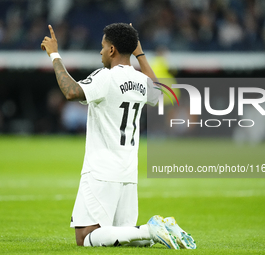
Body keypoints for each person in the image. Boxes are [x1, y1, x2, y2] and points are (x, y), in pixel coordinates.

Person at [41, 23, 196, 249]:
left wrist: (54, 55)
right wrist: (139, 53)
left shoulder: (106, 77)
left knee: (85, 237)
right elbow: (159, 91)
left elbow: (71, 91)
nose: (101, 52)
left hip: (102, 171)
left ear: (112, 50)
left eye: (103, 47)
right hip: (128, 173)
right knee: (121, 238)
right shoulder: (141, 81)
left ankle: (149, 229)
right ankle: (157, 232)